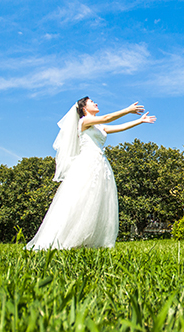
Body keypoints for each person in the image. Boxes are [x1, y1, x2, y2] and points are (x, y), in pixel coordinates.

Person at [25, 97, 155, 251]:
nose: (96, 103)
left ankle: (90, 242)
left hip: (101, 165)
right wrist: (127, 110)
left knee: (98, 201)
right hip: (87, 164)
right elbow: (107, 117)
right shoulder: (84, 122)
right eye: (92, 102)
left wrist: (139, 121)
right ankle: (66, 240)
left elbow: (119, 127)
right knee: (81, 200)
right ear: (84, 108)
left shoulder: (98, 126)